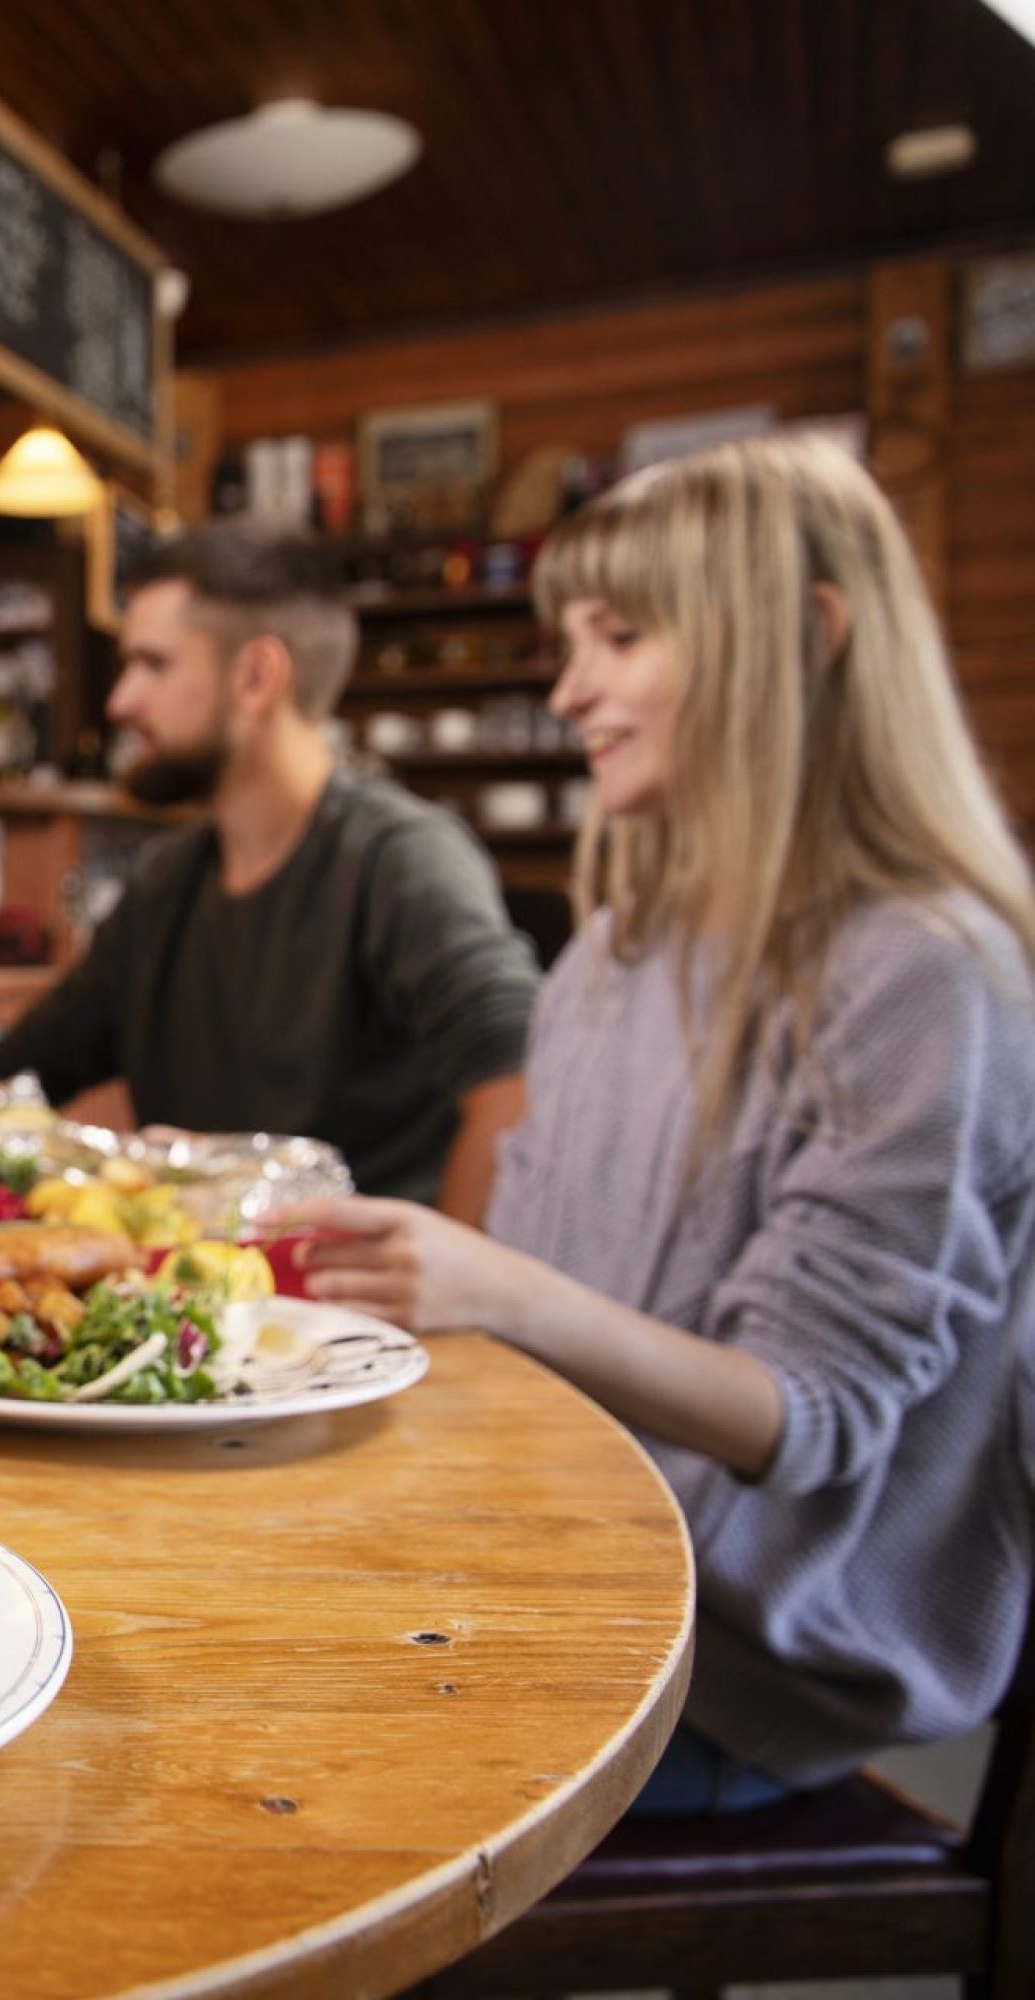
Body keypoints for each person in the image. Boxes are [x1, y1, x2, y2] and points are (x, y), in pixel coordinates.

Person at [285, 436, 1035, 1814]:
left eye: (619, 637)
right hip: (571, 1554)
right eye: (569, 641)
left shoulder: (926, 973)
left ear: (806, 637)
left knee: (287, 1743)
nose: (570, 687)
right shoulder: (614, 952)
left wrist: (491, 1284)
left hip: (749, 1652)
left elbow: (804, 1417)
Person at [0, 522, 539, 1219]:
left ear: (257, 676)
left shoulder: (399, 859)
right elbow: (10, 1081)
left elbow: (517, 1088)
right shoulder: (165, 884)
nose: (121, 701)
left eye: (153, 665)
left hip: (353, 1319)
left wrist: (457, 1296)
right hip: (195, 1308)